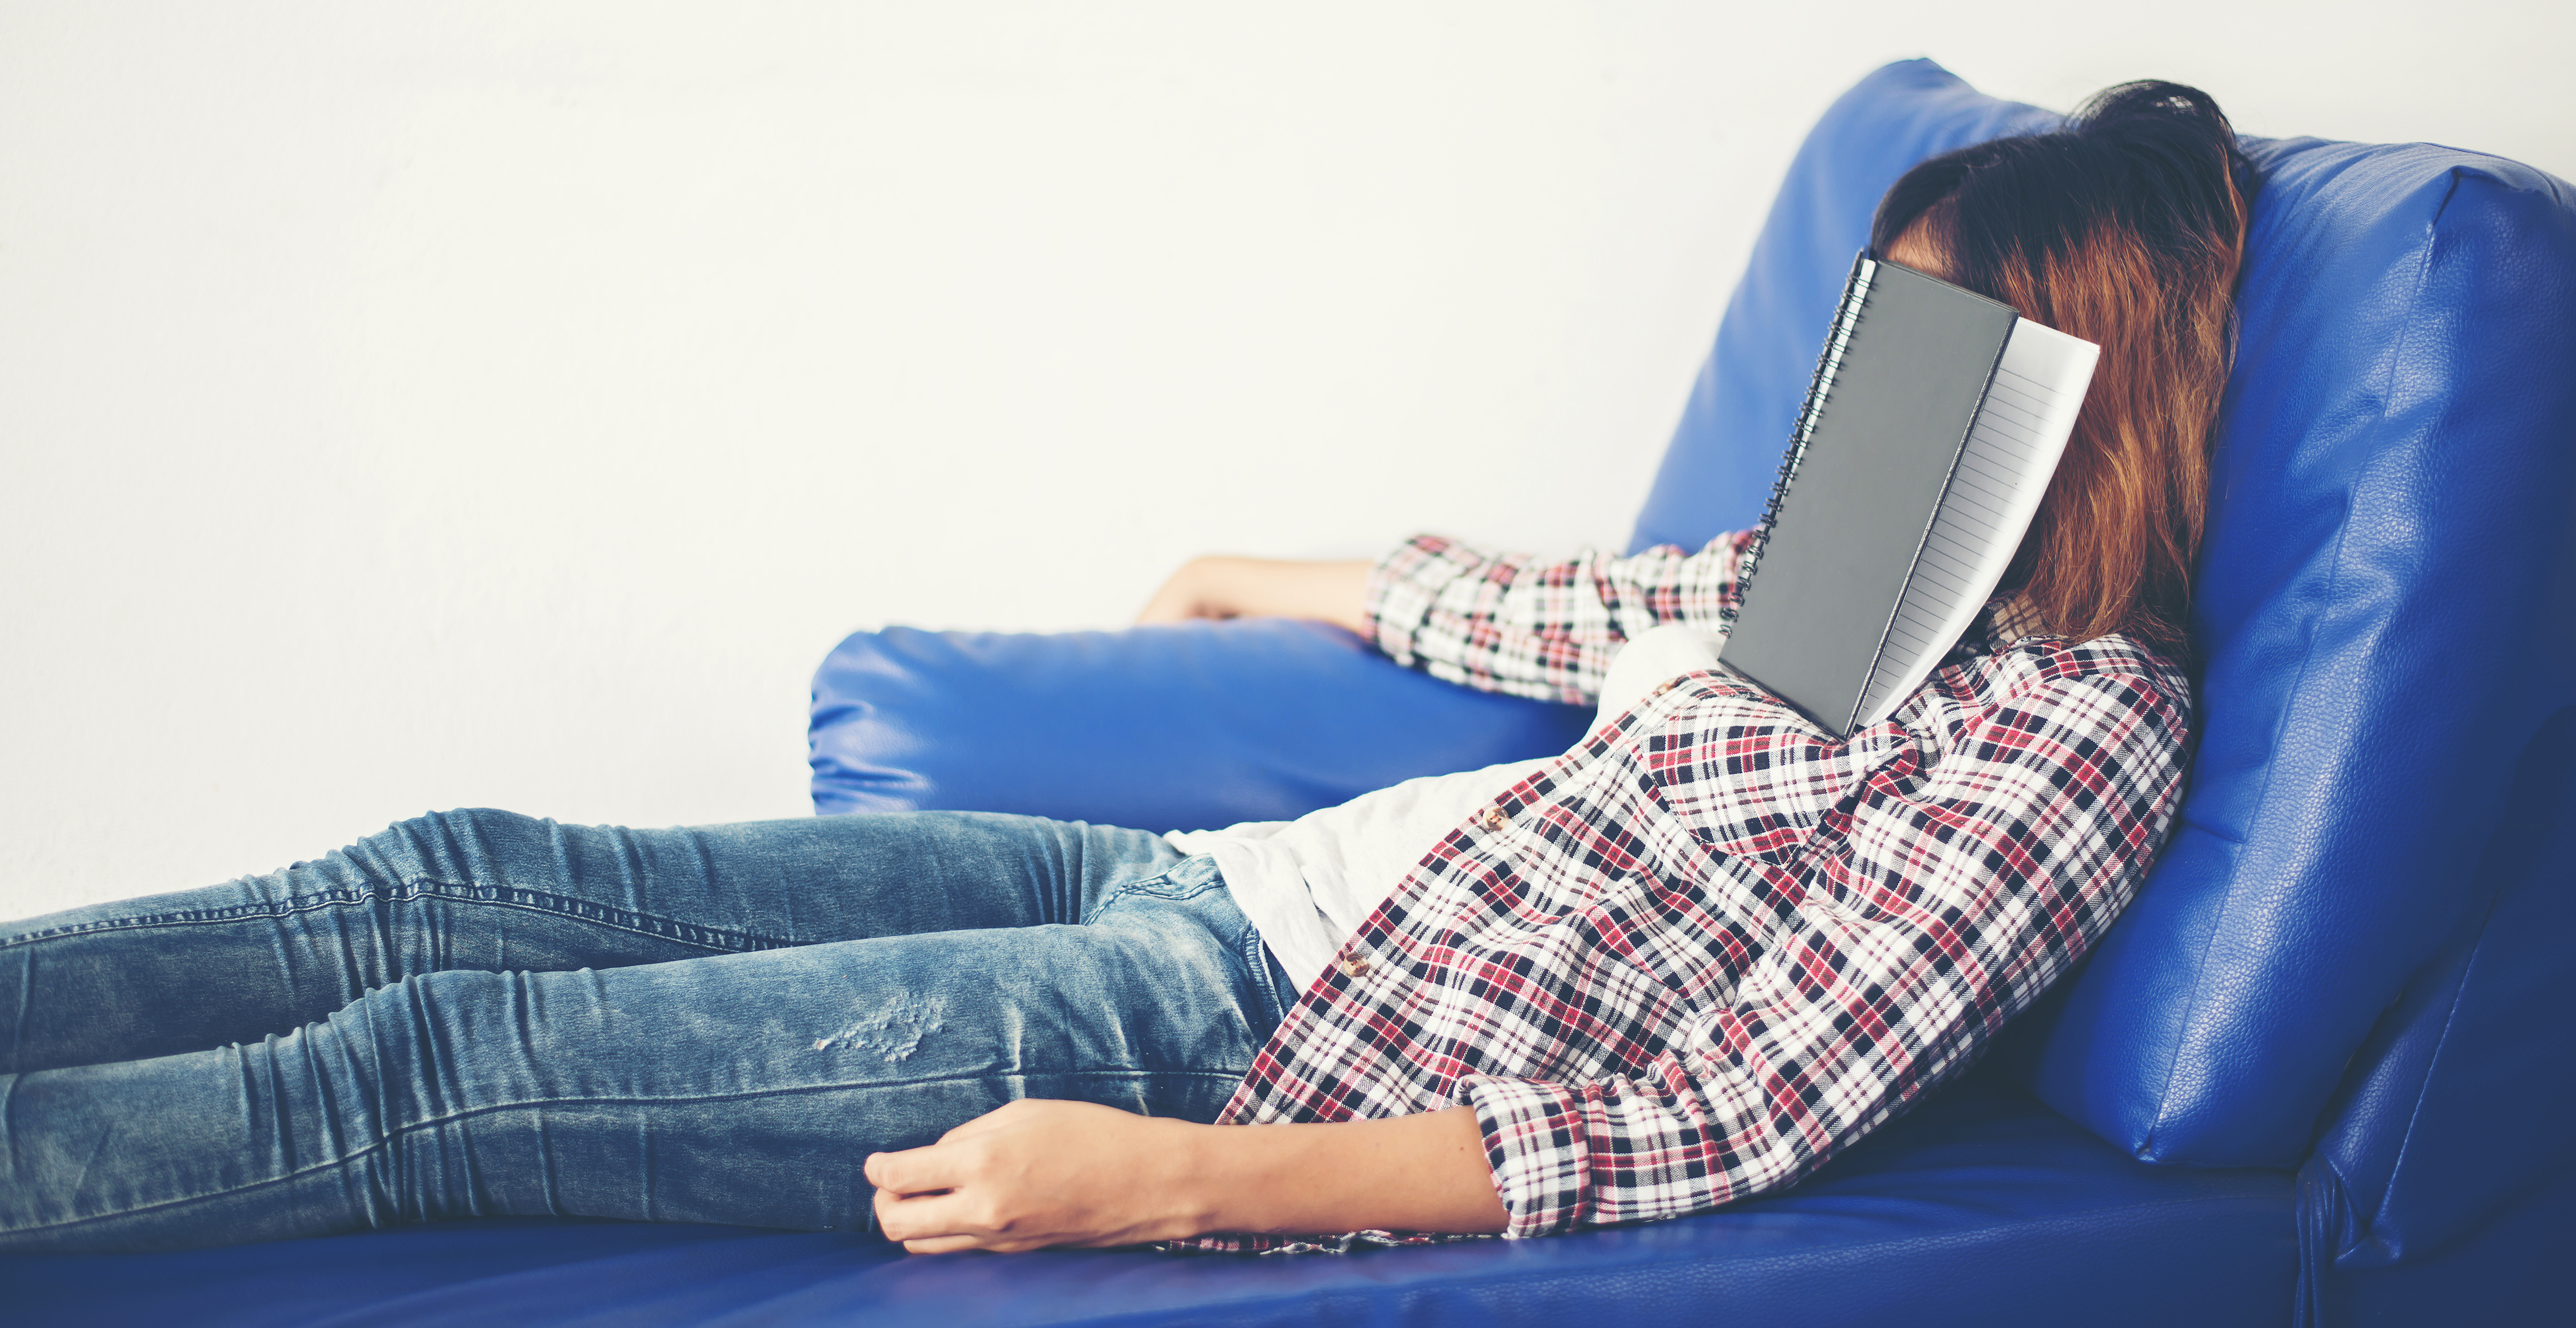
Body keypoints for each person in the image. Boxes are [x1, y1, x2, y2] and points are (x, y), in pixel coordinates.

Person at [0, 80, 2251, 1256]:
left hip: (1210, 1034)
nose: (1873, 382)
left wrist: (1167, 1176)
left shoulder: (2076, 733)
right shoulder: (1848, 576)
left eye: (1935, 336)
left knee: (423, 1065)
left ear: (2075, 381)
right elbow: (1584, 607)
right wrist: (1261, 567)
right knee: (434, 877)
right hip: (1175, 882)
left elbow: (1718, 1115)